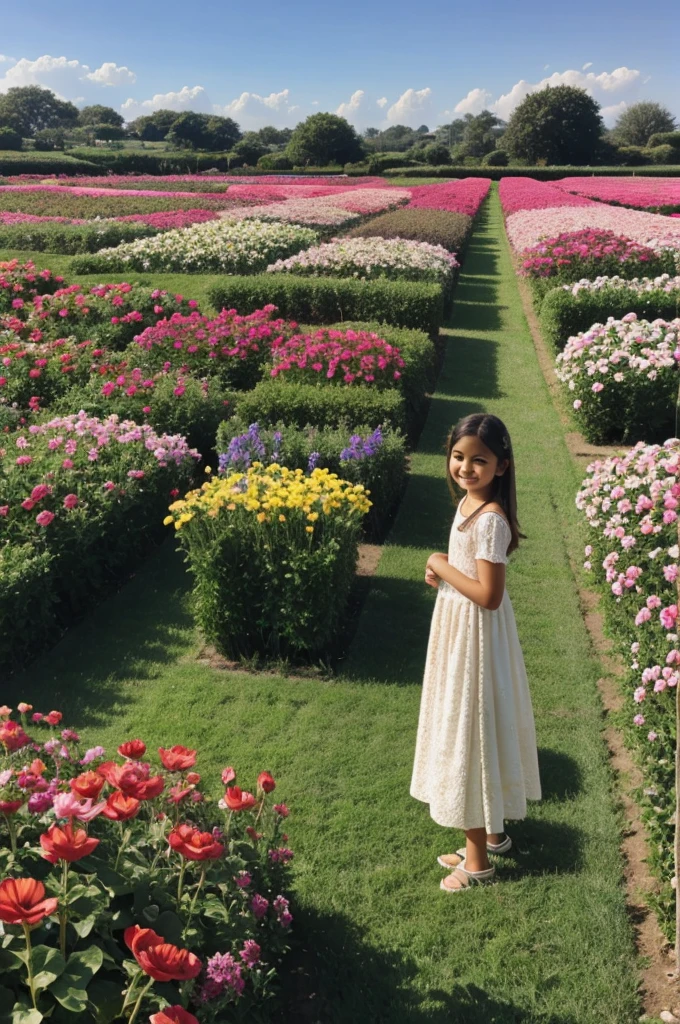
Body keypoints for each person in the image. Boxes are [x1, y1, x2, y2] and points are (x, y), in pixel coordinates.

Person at [410, 412, 541, 892]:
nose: (466, 467)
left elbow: (489, 594)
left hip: (476, 635)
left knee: (469, 729)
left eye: (479, 460)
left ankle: (478, 861)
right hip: (461, 628)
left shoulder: (489, 521)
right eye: (459, 457)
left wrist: (440, 565)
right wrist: (442, 569)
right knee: (476, 723)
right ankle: (492, 833)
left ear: (501, 466)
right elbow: (463, 570)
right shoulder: (469, 503)